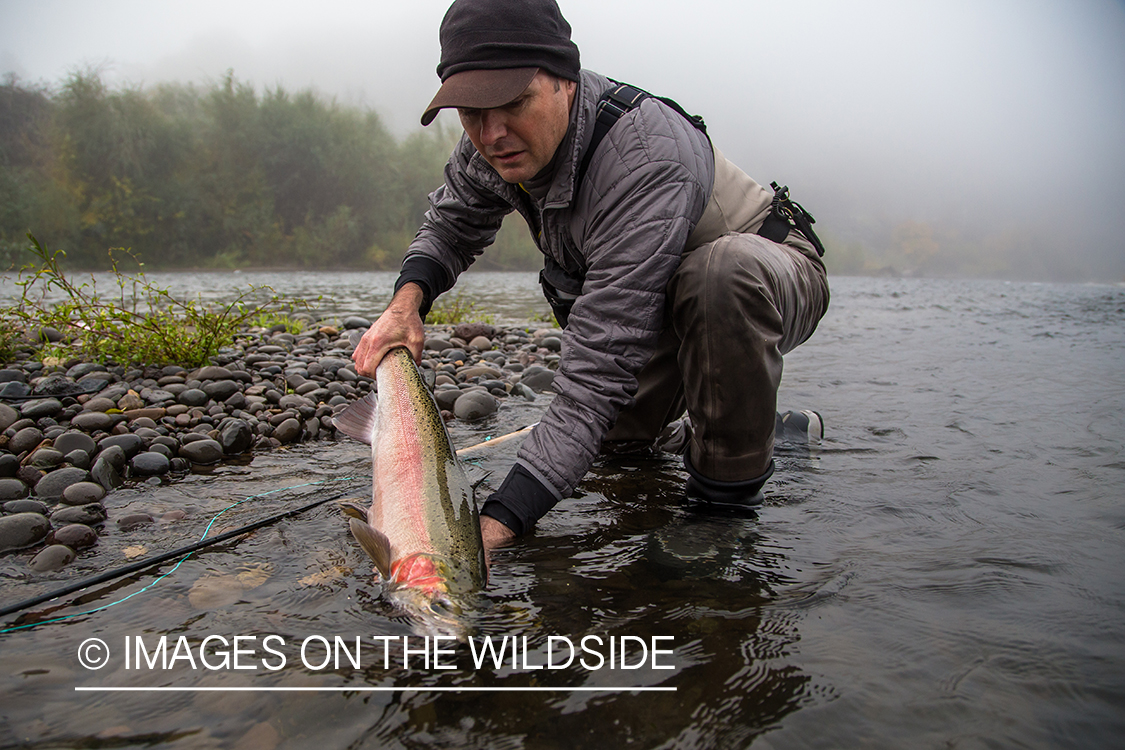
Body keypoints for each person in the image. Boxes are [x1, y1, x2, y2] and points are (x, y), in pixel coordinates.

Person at [352, 0, 830, 555]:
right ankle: (778, 433)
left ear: (566, 82)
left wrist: (498, 526)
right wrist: (405, 304)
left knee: (718, 277)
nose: (492, 131)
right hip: (653, 298)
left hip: (765, 274)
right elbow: (451, 226)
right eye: (472, 111)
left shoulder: (647, 155)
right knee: (621, 450)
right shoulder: (491, 140)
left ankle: (722, 519)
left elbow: (598, 372)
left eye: (513, 102)